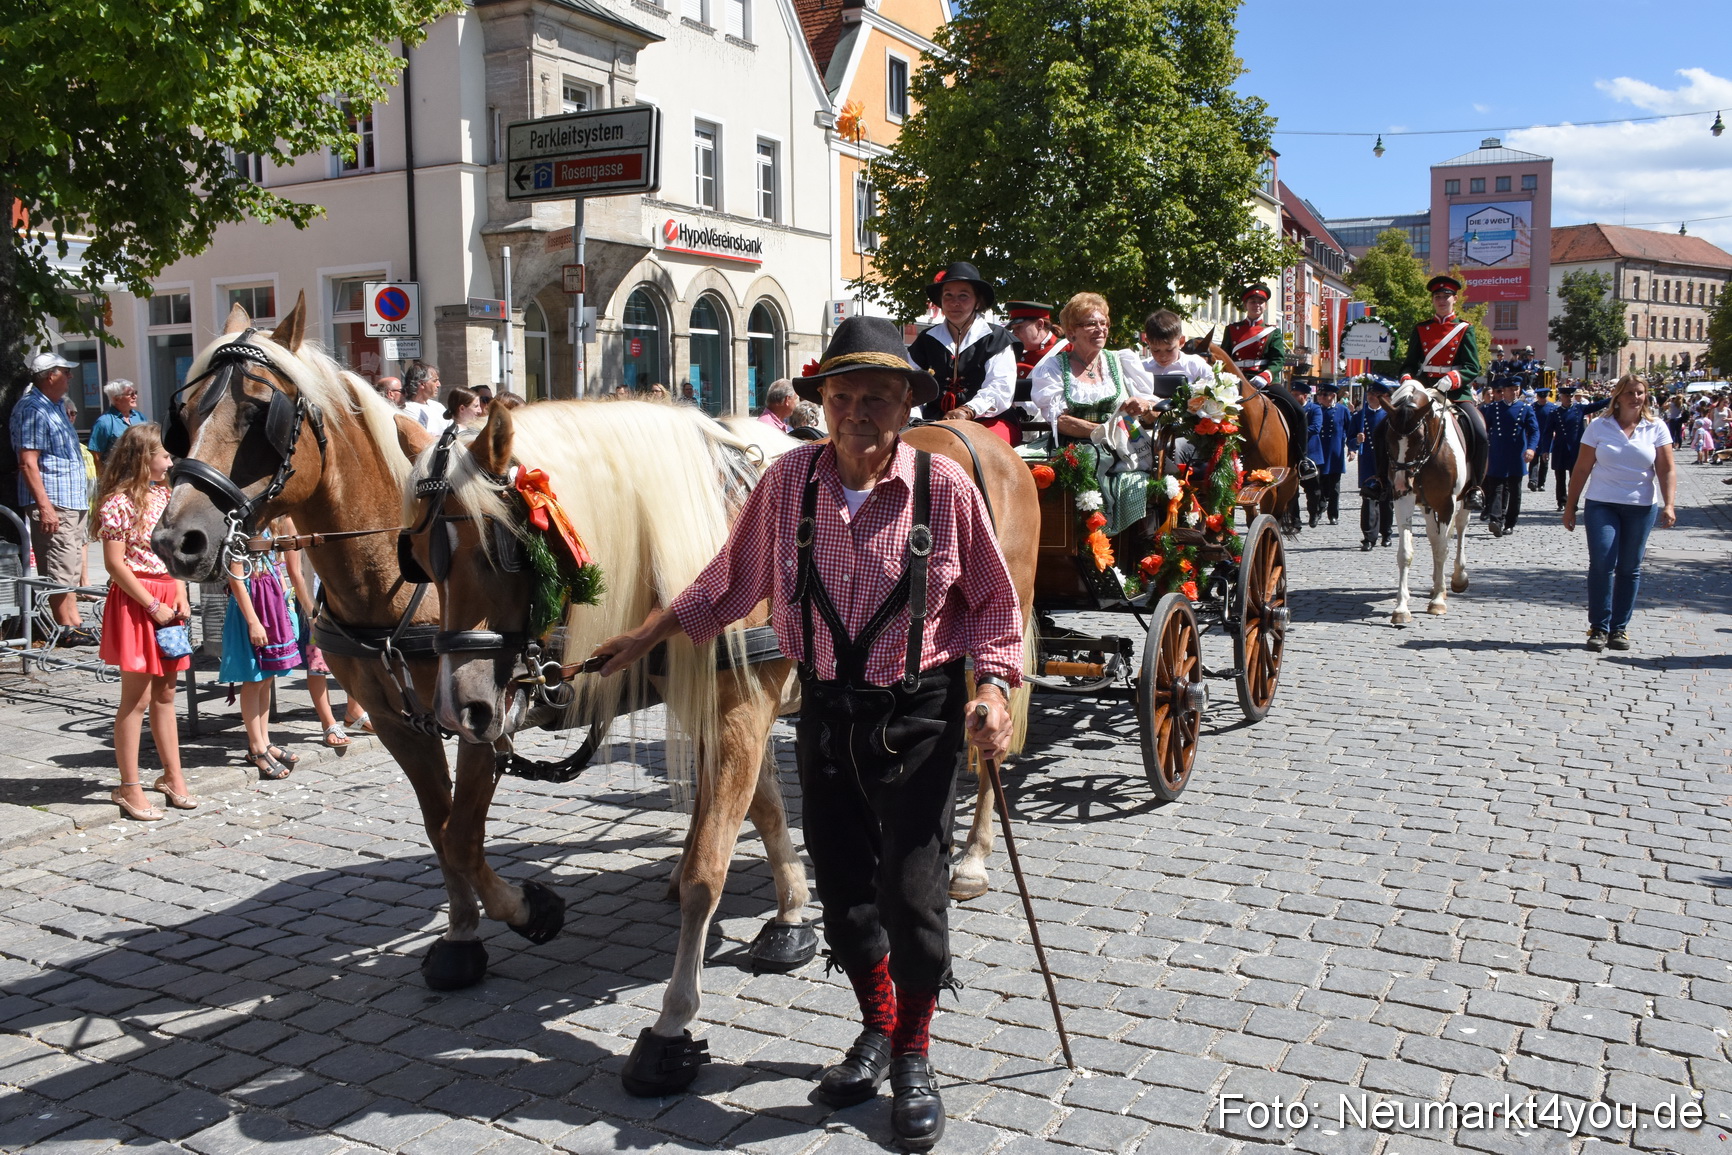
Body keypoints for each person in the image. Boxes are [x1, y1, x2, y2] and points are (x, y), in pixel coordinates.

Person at [591, 315, 1020, 1152]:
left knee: (912, 894)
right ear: (822, 401)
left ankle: (914, 1053)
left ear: (905, 407)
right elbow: (727, 578)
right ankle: (876, 1023)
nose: (858, 411)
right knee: (846, 895)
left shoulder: (946, 489)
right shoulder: (787, 484)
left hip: (921, 715)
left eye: (878, 397)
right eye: (843, 395)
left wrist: (994, 691)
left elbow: (995, 606)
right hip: (826, 712)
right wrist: (643, 637)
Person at [93, 424, 194, 821]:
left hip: (167, 597)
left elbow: (172, 553)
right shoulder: (117, 502)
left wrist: (181, 592)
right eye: (165, 456)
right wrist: (153, 605)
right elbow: (114, 564)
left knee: (167, 696)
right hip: (139, 601)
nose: (170, 462)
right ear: (143, 457)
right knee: (135, 702)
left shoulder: (165, 496)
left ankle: (173, 776)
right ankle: (129, 786)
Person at [1563, 375, 1676, 652]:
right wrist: (1571, 505)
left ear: (1646, 395)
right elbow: (1581, 468)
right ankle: (1599, 627)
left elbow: (1666, 469)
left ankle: (1619, 629)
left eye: (1639, 393)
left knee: (1629, 568)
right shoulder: (1599, 427)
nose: (1634, 398)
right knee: (1602, 563)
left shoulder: (1656, 427)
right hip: (1602, 503)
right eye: (1629, 393)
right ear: (1617, 395)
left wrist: (1669, 504)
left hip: (1641, 506)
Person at [11, 352, 93, 642]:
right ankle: (67, 627)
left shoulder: (55, 406)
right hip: (54, 500)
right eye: (65, 371)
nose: (70, 376)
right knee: (58, 563)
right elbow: (28, 462)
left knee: (69, 563)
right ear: (50, 376)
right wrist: (44, 507)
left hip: (70, 499)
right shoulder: (33, 408)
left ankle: (75, 622)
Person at [278, 516, 368, 747]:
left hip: (337, 597)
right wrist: (310, 612)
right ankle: (328, 722)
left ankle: (354, 711)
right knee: (318, 664)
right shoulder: (292, 521)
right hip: (314, 600)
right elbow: (295, 570)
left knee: (352, 656)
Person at [221, 526, 301, 780]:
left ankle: (264, 741)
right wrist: (253, 622)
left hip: (271, 606)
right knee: (254, 679)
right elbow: (236, 581)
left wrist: (285, 601)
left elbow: (276, 567)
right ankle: (255, 747)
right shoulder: (238, 533)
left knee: (267, 679)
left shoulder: (265, 529)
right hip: (252, 610)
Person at [907, 260, 1019, 441]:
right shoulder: (926, 339)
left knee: (980, 448)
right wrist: (913, 418)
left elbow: (1000, 387)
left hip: (988, 419)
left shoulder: (996, 338)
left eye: (963, 296)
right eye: (948, 296)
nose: (954, 303)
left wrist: (968, 410)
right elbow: (910, 384)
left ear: (977, 301)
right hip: (935, 419)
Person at [1399, 275, 1486, 494]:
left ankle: (1475, 486)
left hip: (1456, 392)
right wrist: (1408, 379)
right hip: (1426, 389)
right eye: (1437, 296)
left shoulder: (1465, 329)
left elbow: (1473, 366)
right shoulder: (1421, 329)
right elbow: (1409, 364)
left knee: (1480, 433)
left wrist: (1453, 378)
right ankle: (1382, 479)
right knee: (1388, 425)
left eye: (1446, 296)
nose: (1441, 300)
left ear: (1454, 299)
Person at [1480, 380, 1539, 536]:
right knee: (1496, 489)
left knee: (1515, 490)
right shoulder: (1493, 409)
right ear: (1503, 391)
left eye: (1516, 389)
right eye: (1511, 389)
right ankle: (1496, 521)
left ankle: (1510, 522)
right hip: (1497, 453)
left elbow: (1534, 431)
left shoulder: (1525, 409)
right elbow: (1484, 428)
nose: (1514, 392)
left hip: (1516, 454)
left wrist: (1531, 448)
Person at [1348, 377, 1394, 549]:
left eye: (1376, 394)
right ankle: (1369, 537)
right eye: (1370, 394)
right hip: (1367, 461)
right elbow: (1350, 440)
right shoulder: (1360, 416)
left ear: (1384, 397)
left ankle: (1386, 533)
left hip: (1386, 462)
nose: (1371, 397)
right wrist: (1357, 441)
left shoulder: (1390, 416)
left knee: (1386, 500)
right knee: (1368, 500)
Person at [1549, 383, 1610, 511]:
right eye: (1566, 396)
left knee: (1575, 476)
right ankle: (1561, 501)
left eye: (1571, 396)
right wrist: (1544, 449)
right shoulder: (1555, 412)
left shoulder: (1579, 409)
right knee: (1560, 477)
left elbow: (1596, 406)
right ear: (1561, 397)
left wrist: (1612, 398)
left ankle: (1573, 501)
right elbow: (1547, 432)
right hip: (1560, 448)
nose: (1570, 398)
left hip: (1576, 448)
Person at [1008, 301, 1064, 435]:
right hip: (1018, 429)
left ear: (1040, 324)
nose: (1014, 333)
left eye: (1019, 327)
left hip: (1052, 432)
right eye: (1013, 329)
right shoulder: (1014, 353)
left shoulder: (1067, 350)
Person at [1222, 284, 1286, 388]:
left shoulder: (1273, 331)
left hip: (1264, 379)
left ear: (1265, 306)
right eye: (1252, 302)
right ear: (1245, 305)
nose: (1257, 305)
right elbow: (1224, 357)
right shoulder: (1231, 329)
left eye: (1261, 302)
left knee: (1291, 404)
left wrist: (1265, 375)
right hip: (1236, 378)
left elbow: (1278, 359)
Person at [1309, 380, 1348, 526]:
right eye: (1319, 395)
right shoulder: (1316, 410)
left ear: (1333, 396)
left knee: (1335, 487)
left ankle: (1333, 514)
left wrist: (1352, 449)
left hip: (1335, 452)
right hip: (1319, 451)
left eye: (1324, 395)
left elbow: (1349, 430)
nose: (1321, 397)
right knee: (1319, 484)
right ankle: (1319, 510)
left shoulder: (1342, 410)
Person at [1139, 309, 1212, 385]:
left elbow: (1218, 389)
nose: (1163, 356)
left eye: (1169, 350)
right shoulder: (1142, 369)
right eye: (1156, 350)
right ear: (1148, 342)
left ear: (1181, 341)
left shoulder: (1195, 366)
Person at [87, 380, 145, 465]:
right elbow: (96, 454)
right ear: (117, 399)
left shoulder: (139, 417)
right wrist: (104, 476)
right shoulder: (104, 422)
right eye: (130, 394)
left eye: (135, 392)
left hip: (141, 473)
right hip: (118, 475)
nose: (135, 396)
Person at [1528, 385, 1559, 492]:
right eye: (1540, 397)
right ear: (1537, 397)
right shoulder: (1532, 407)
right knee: (1534, 459)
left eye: (1544, 397)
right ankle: (1533, 481)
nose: (1542, 399)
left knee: (1544, 461)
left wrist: (1555, 431)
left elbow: (1556, 422)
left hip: (1547, 436)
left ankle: (1541, 483)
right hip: (1535, 435)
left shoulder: (1553, 408)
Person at [402, 361, 444, 431]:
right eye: (434, 381)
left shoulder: (438, 406)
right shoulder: (407, 408)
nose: (439, 385)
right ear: (422, 384)